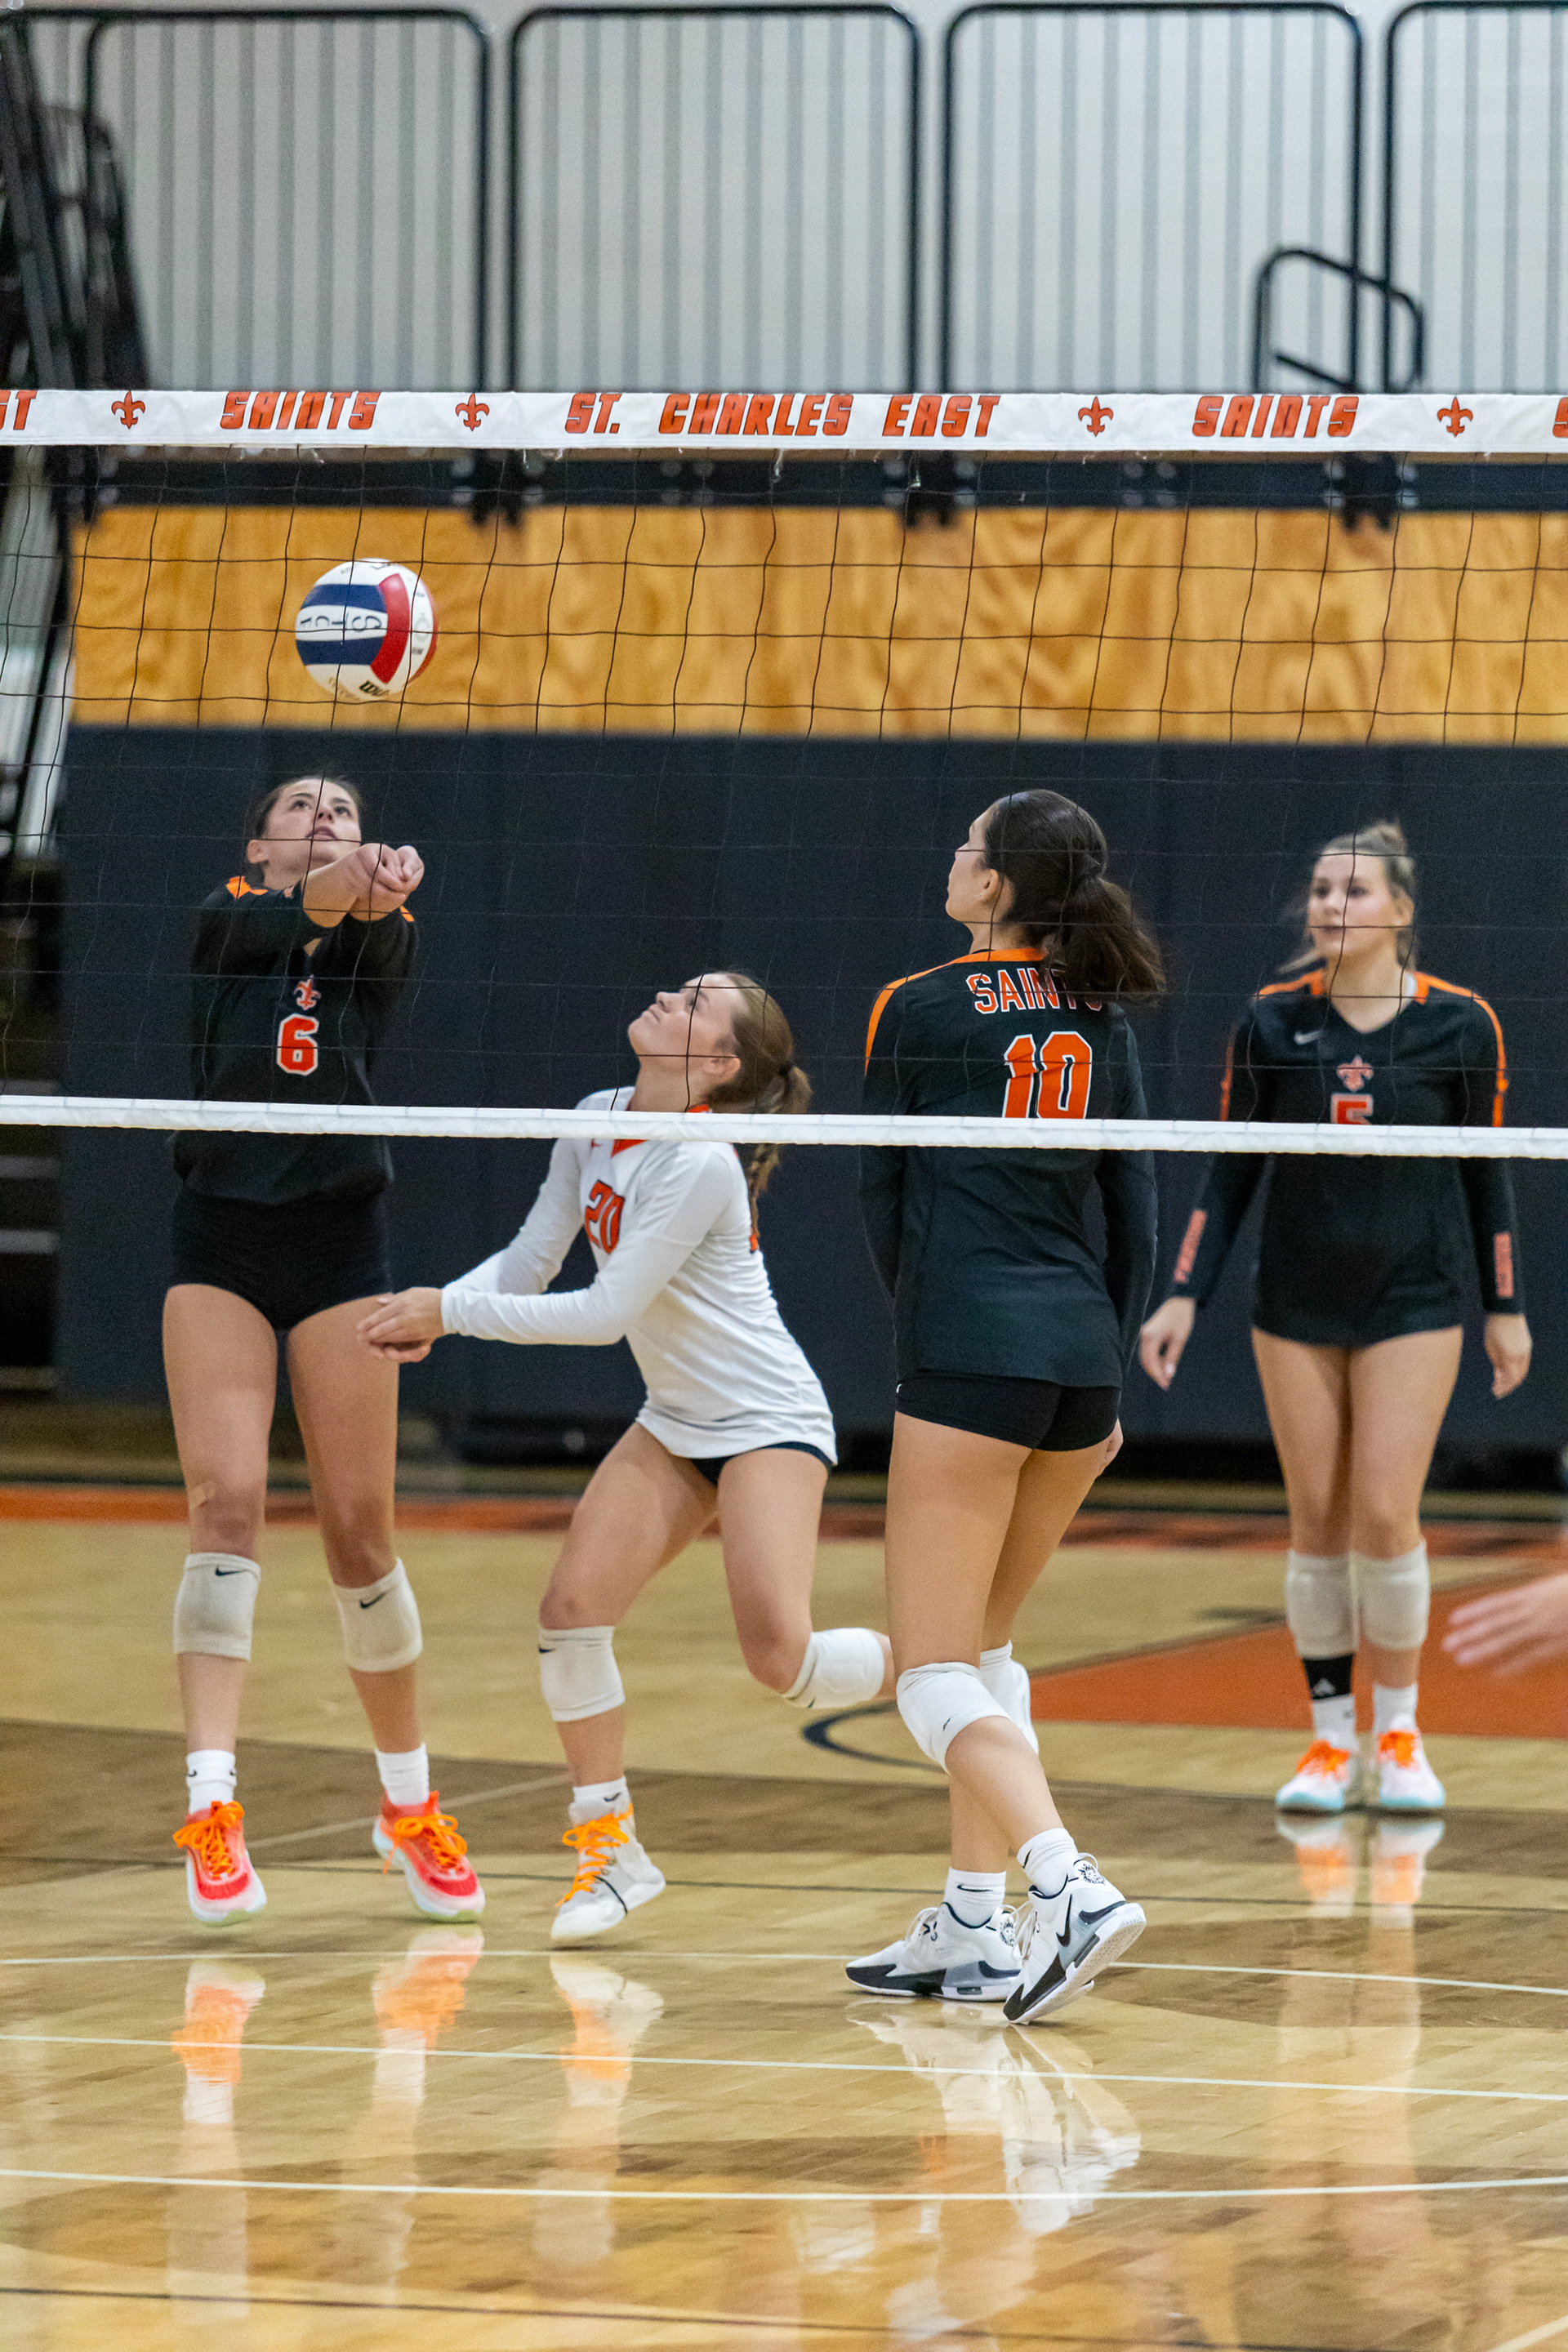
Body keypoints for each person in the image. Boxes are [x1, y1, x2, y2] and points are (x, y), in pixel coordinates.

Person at [360, 970, 893, 1943]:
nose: (667, 997)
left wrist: (452, 1312)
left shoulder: (701, 1163)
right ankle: (612, 1853)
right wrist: (434, 1313)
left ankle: (937, 1668)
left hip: (766, 1418)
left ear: (719, 1062)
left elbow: (606, 1314)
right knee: (571, 1615)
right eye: (680, 988)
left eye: (694, 1003)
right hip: (678, 1418)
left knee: (781, 1659)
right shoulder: (596, 1115)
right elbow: (531, 1263)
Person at [1139, 822, 1531, 1818]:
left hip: (1415, 1299)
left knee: (1386, 1514)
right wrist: (1184, 1292)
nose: (1328, 906)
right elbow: (1231, 1170)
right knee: (1315, 1519)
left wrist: (1506, 1307)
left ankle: (1399, 1735)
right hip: (1296, 1301)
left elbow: (1489, 1171)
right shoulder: (1272, 1021)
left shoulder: (1461, 1024)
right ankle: (1328, 1741)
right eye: (1319, 890)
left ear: (1400, 910)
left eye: (1352, 891)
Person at [849, 790, 1160, 2025]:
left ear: (996, 887)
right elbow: (1134, 1207)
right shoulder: (1101, 1011)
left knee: (929, 1674)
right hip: (1081, 1362)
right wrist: (1109, 1362)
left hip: (971, 1355)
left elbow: (882, 1197)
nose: (953, 857)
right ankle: (974, 1925)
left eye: (968, 846)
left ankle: (1067, 1885)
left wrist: (928, 1337)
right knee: (982, 1653)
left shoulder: (918, 1004)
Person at [167, 774, 483, 1927]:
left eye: (341, 811)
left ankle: (408, 1804)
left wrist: (379, 895)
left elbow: (372, 934)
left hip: (342, 1242)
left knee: (361, 1533)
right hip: (221, 1238)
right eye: (299, 808)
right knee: (228, 1506)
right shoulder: (230, 913)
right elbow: (285, 914)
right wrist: (349, 876)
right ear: (259, 843)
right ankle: (212, 1806)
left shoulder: (379, 937)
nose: (322, 820)